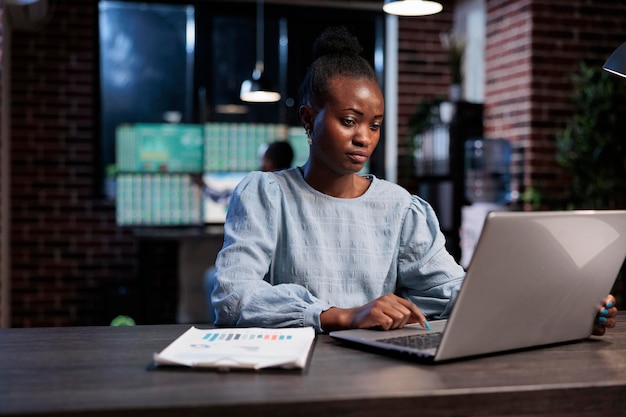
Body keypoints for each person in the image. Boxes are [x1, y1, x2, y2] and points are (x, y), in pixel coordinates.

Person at [209, 26, 618, 334]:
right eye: (349, 121)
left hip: (381, 372)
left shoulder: (399, 207)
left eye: (375, 125)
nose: (363, 137)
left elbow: (454, 292)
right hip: (296, 378)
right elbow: (232, 297)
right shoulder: (267, 194)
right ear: (307, 120)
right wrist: (341, 315)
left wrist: (561, 308)